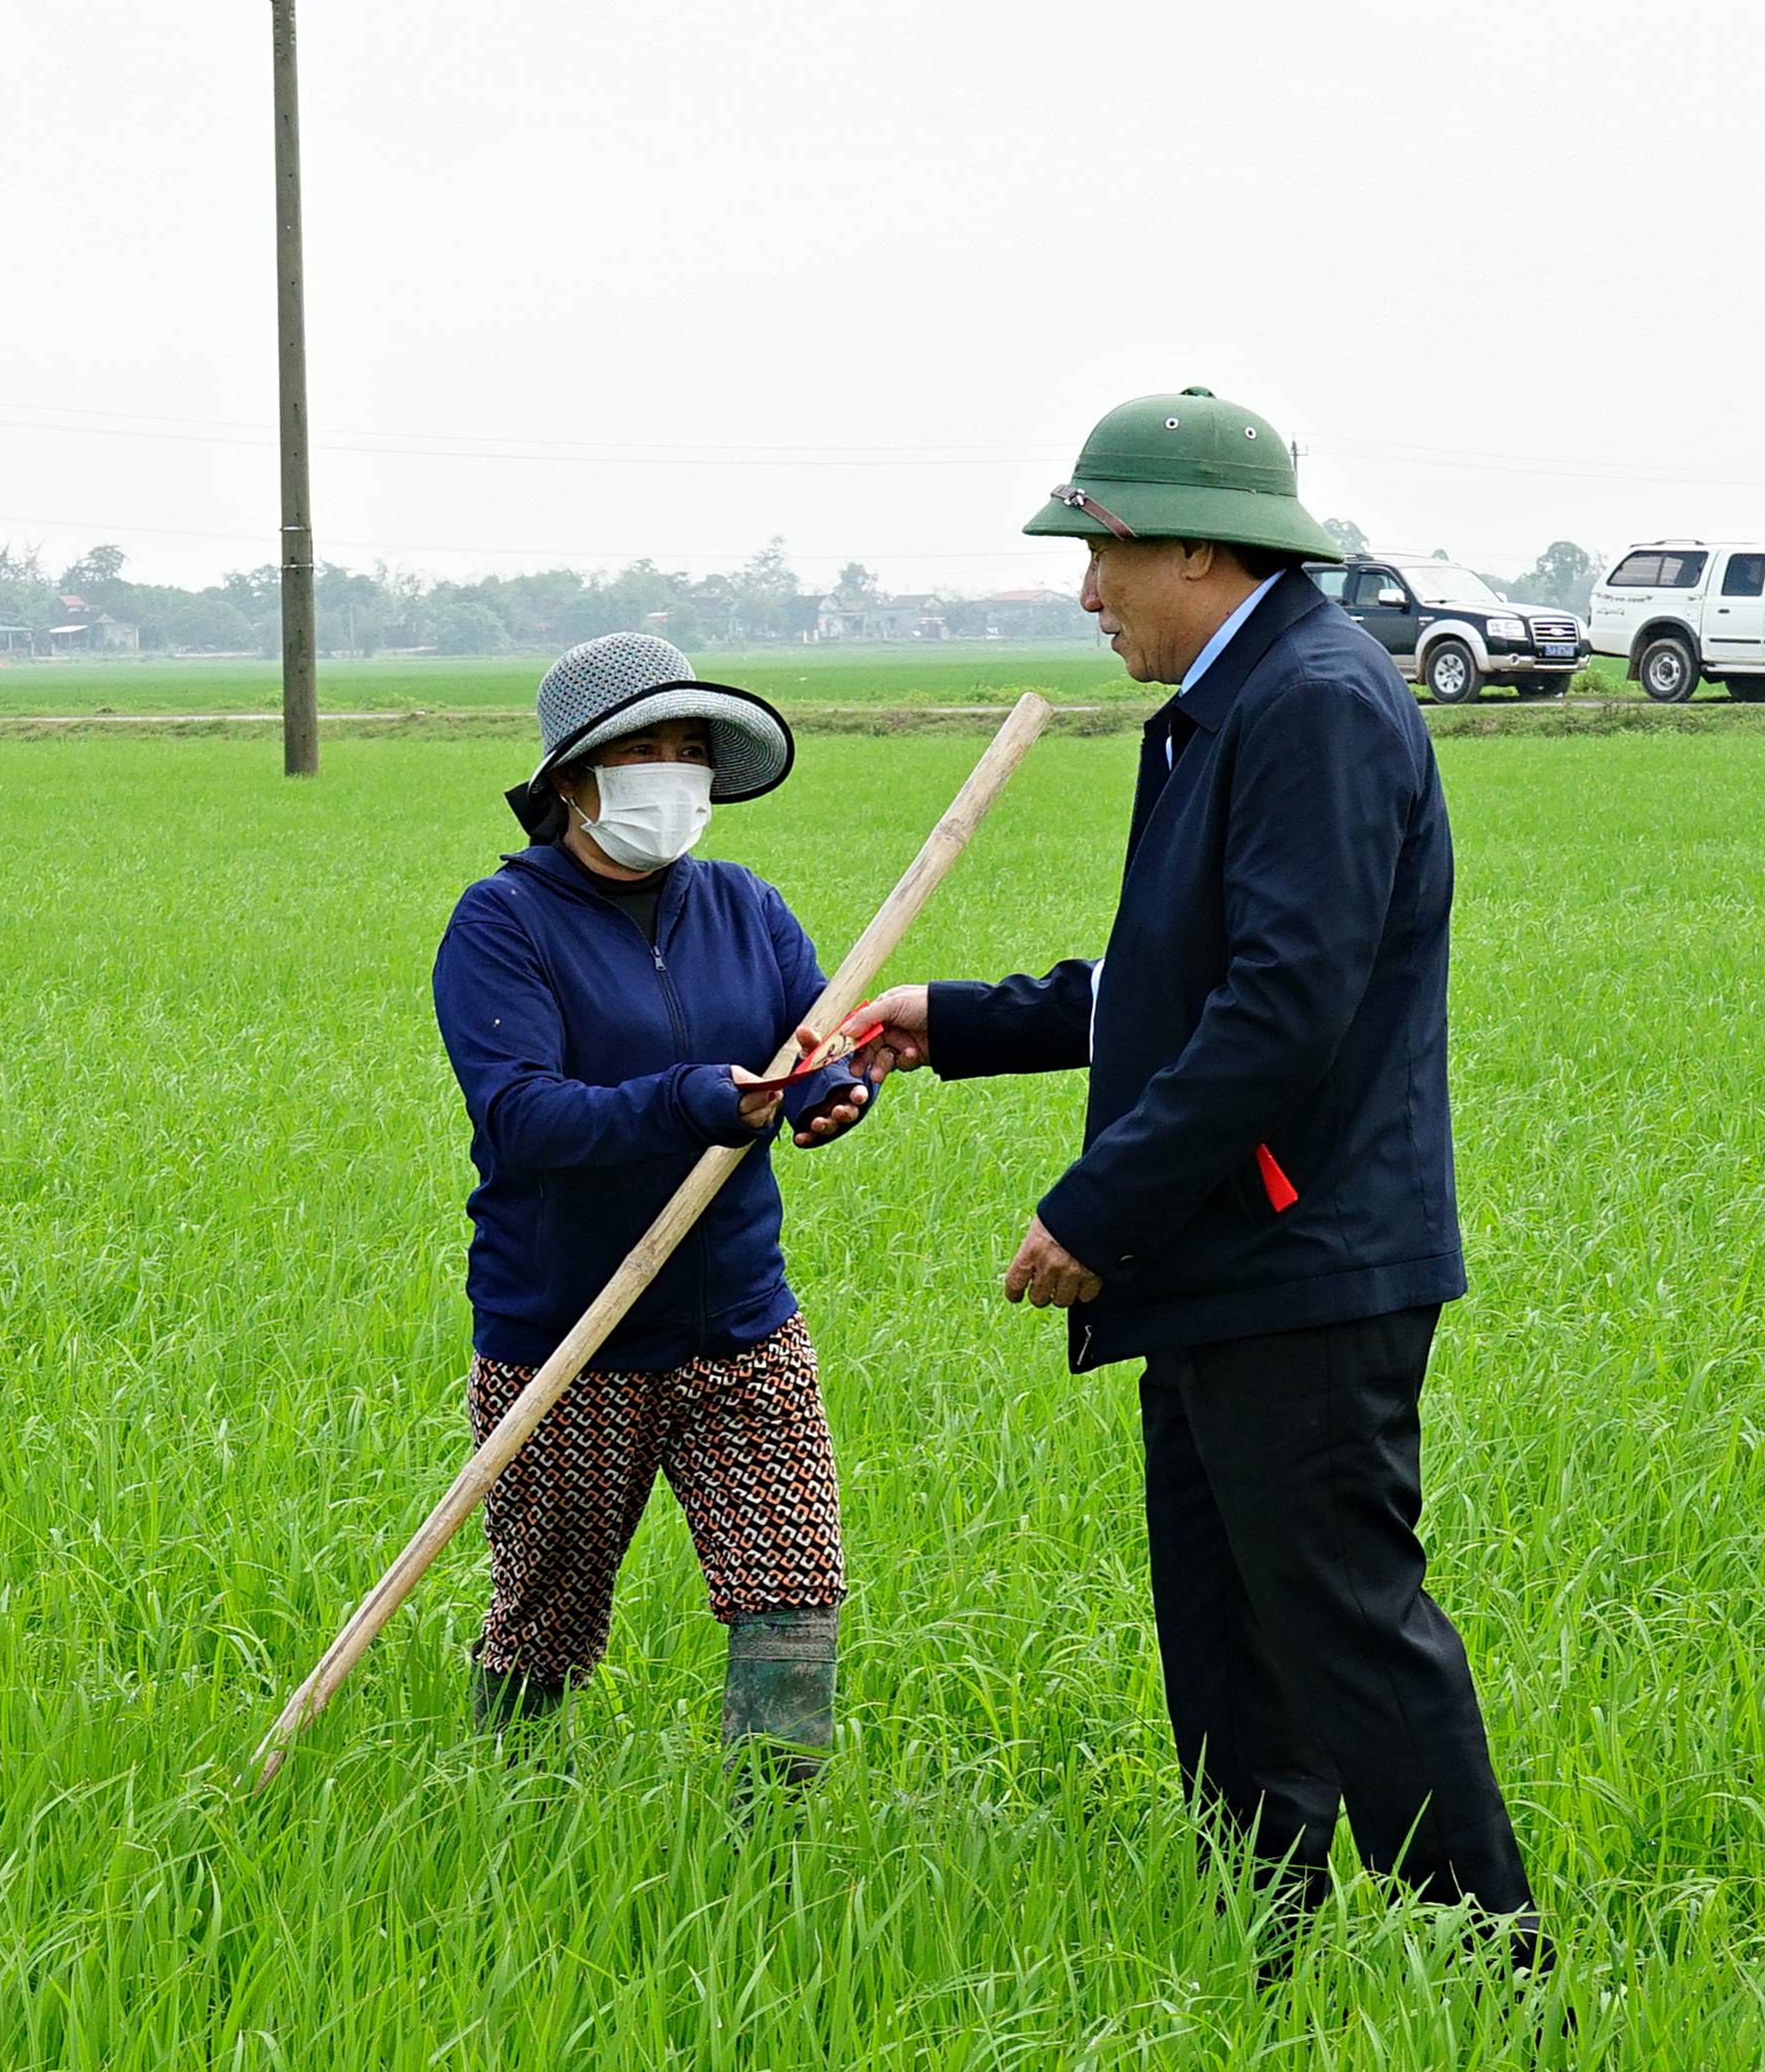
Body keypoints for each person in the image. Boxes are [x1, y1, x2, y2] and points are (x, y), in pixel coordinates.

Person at [835, 389, 1540, 1967]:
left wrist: (1098, 1211)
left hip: (1301, 1260)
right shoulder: (1239, 702)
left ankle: (1509, 1997)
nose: (1090, 595)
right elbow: (1178, 984)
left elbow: (1282, 1009)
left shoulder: (1316, 707)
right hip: (1229, 1267)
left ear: (1204, 550)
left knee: (1349, 1640)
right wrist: (950, 1025)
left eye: (1109, 557)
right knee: (1229, 1658)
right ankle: (1260, 1964)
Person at [436, 633, 878, 1784]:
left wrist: (829, 1090)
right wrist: (691, 1101)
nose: (673, 772)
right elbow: (523, 1115)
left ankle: (773, 1845)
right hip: (571, 1338)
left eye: (691, 749)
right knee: (545, 1621)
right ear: (573, 777)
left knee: (792, 1587)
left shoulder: (743, 905)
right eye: (645, 748)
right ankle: (505, 1808)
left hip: (740, 1320)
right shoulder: (503, 924)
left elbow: (808, 1033)